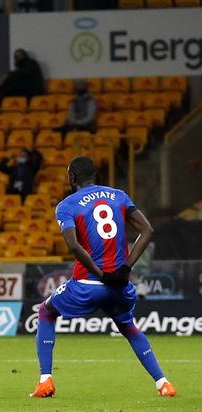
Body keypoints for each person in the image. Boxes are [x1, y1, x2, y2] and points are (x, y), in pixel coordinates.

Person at [29, 156, 176, 398]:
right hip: (121, 284)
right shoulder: (118, 196)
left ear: (72, 178)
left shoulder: (67, 205)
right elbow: (147, 230)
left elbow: (73, 245)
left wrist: (100, 274)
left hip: (88, 283)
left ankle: (46, 381)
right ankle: (163, 383)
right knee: (127, 327)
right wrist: (126, 269)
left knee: (46, 312)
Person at [0, 48, 45, 113]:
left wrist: (8, 74)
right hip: (25, 90)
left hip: (34, 91)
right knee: (1, 92)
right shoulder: (20, 67)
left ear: (24, 55)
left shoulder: (31, 63)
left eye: (20, 55)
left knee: (9, 79)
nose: (18, 57)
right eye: (16, 56)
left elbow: (25, 73)